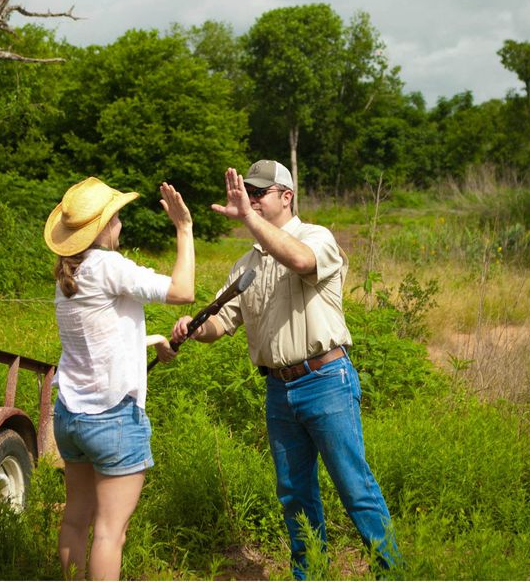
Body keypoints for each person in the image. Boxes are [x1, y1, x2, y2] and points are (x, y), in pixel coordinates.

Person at [171, 160, 399, 579]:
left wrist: (248, 218)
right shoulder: (245, 265)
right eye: (249, 193)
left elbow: (299, 260)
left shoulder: (316, 237)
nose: (252, 199)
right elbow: (222, 324)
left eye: (260, 193)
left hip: (325, 380)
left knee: (353, 485)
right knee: (295, 494)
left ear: (287, 196)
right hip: (279, 390)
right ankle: (309, 574)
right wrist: (195, 328)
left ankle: (393, 572)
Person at [44, 176, 194, 580]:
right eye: (116, 218)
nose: (121, 224)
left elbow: (100, 339)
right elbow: (183, 291)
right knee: (111, 534)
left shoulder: (68, 274)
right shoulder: (108, 265)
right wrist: (184, 228)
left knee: (75, 520)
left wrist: (154, 340)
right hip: (111, 419)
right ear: (104, 227)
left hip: (70, 416)